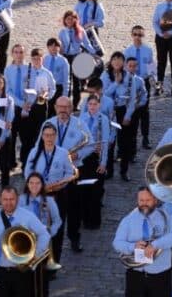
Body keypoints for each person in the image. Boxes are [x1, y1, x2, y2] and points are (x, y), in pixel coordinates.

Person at [42, 96, 91, 253]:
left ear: (71, 108)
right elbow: (38, 146)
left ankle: (74, 237)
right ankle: (55, 240)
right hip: (54, 175)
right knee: (55, 209)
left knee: (75, 208)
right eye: (60, 107)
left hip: (74, 173)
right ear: (55, 107)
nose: (63, 110)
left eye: (66, 107)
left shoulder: (80, 124)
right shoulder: (47, 124)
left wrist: (77, 155)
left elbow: (90, 145)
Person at [24, 124, 75, 261]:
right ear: (42, 136)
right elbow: (27, 173)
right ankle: (37, 258)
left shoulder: (63, 153)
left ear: (56, 136)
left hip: (58, 195)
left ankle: (54, 261)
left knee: (57, 229)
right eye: (46, 135)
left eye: (52, 135)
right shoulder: (34, 152)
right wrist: (36, 187)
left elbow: (70, 173)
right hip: (38, 195)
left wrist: (60, 184)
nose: (49, 138)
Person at [19, 174, 62, 297]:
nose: (34, 186)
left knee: (42, 276)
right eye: (31, 183)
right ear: (27, 184)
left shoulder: (49, 201)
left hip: (42, 243)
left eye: (38, 183)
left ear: (42, 185)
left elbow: (57, 221)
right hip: (25, 243)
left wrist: (51, 232)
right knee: (27, 275)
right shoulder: (21, 201)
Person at [104, 53, 145, 180]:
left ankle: (124, 170)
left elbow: (132, 98)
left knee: (124, 143)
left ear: (123, 62)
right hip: (109, 111)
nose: (116, 62)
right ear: (111, 61)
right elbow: (104, 94)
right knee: (109, 142)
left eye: (119, 59)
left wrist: (128, 116)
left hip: (123, 110)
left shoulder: (129, 77)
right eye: (114, 59)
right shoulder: (105, 75)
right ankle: (108, 170)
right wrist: (115, 83)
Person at [79, 94, 110, 230]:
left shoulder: (103, 119)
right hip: (84, 158)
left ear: (99, 105)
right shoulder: (82, 118)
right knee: (84, 190)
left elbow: (105, 142)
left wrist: (103, 163)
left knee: (96, 191)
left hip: (97, 158)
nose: (92, 107)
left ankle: (94, 221)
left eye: (95, 104)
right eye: (90, 104)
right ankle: (85, 219)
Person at [19, 48, 55, 166]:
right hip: (29, 105)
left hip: (41, 105)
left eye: (38, 59)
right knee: (26, 134)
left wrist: (46, 96)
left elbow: (53, 89)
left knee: (39, 133)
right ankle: (25, 161)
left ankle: (38, 160)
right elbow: (21, 87)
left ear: (42, 59)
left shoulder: (47, 73)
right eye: (34, 59)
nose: (36, 61)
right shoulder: (27, 71)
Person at [124, 25, 157, 144]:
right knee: (132, 110)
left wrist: (155, 82)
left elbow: (152, 67)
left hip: (144, 82)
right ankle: (131, 139)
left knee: (144, 110)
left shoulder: (148, 50)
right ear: (132, 35)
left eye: (140, 35)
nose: (138, 37)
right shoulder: (127, 51)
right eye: (135, 34)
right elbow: (124, 68)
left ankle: (145, 137)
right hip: (131, 83)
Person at [59, 10, 92, 109]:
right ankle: (66, 102)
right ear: (65, 20)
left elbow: (87, 44)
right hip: (66, 57)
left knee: (77, 82)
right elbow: (61, 46)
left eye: (71, 18)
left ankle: (75, 104)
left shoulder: (80, 30)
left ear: (75, 20)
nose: (69, 20)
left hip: (77, 57)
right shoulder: (62, 32)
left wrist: (94, 53)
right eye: (67, 18)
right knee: (67, 81)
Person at [3, 44, 30, 167]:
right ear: (12, 54)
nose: (19, 55)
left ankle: (25, 161)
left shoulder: (29, 68)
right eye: (16, 52)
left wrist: (27, 103)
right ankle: (11, 160)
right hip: (13, 107)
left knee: (25, 136)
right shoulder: (8, 70)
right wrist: (20, 103)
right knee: (12, 135)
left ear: (24, 54)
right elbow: (7, 91)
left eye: (21, 52)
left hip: (27, 107)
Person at [44, 38, 71, 117]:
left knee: (56, 112)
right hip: (47, 88)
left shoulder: (63, 61)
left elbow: (66, 79)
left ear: (59, 48)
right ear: (48, 47)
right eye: (51, 46)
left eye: (56, 46)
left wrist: (65, 95)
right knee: (46, 111)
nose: (53, 48)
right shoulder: (45, 59)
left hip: (58, 88)